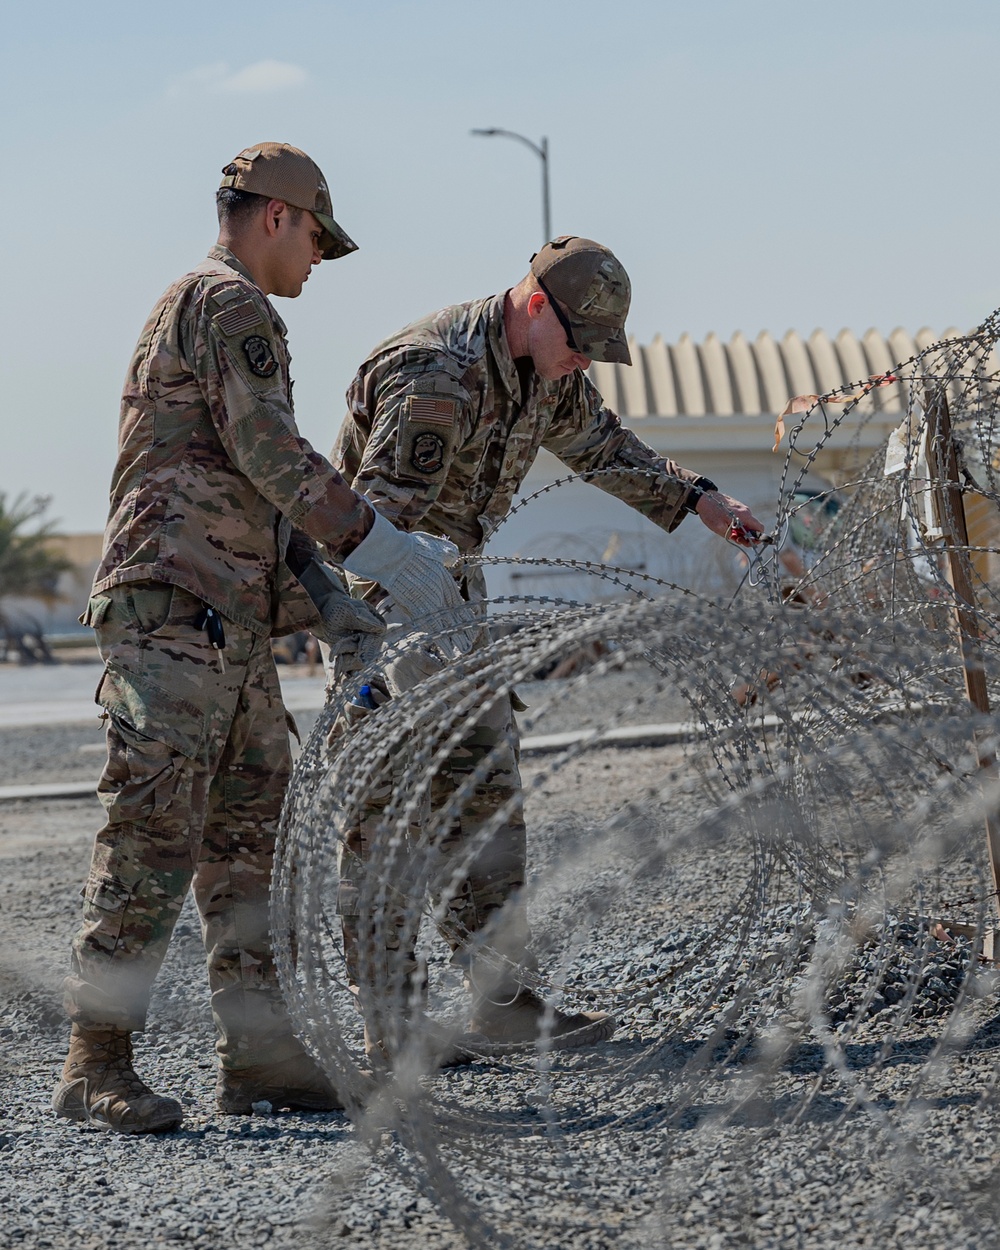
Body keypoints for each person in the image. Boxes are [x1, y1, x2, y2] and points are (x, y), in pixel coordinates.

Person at [54, 142, 464, 1134]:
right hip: (173, 605)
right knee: (154, 829)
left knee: (251, 841)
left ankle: (265, 1055)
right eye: (317, 237)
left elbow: (257, 488)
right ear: (277, 216)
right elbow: (273, 454)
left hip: (222, 614)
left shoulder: (217, 307)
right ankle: (95, 1059)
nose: (318, 260)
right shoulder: (233, 304)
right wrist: (380, 545)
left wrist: (326, 592)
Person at [331, 235, 764, 1061]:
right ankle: (389, 1020)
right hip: (391, 599)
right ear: (536, 307)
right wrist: (385, 652)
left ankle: (501, 1004)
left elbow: (604, 447)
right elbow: (373, 523)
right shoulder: (435, 375)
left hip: (457, 594)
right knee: (386, 811)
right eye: (579, 345)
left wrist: (700, 499)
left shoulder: (547, 372)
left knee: (486, 797)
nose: (583, 365)